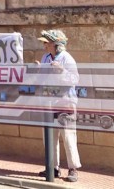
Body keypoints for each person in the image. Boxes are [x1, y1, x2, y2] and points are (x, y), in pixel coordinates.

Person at [37, 29, 81, 183]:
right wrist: (39, 70)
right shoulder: (45, 57)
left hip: (65, 103)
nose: (44, 45)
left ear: (56, 44)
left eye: (47, 43)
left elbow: (74, 79)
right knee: (49, 136)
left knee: (68, 136)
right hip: (49, 103)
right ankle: (53, 167)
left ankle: (73, 168)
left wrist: (60, 71)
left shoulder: (67, 58)